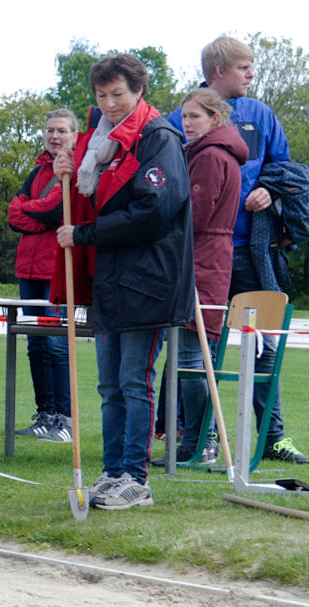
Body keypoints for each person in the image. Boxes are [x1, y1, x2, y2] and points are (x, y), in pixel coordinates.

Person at [53, 54, 195, 510]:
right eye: (102, 96)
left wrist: (86, 235)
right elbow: (93, 203)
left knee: (135, 381)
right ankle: (112, 470)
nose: (110, 103)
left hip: (148, 279)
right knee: (109, 385)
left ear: (139, 91)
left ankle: (136, 476)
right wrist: (69, 178)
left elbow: (154, 211)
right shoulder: (100, 143)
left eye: (118, 94)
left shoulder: (159, 138)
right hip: (110, 280)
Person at [166, 36, 307, 464]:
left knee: (265, 342)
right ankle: (189, 437)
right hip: (199, 258)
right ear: (220, 71)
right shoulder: (182, 117)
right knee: (189, 347)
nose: (251, 74)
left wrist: (267, 188)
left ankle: (273, 437)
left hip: (250, 251)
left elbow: (284, 167)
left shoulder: (261, 114)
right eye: (245, 67)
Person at [153, 88, 248, 467]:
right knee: (190, 355)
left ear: (215, 118)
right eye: (184, 116)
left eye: (195, 116)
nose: (186, 123)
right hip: (204, 253)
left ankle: (202, 441)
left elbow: (197, 216)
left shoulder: (210, 156)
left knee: (194, 355)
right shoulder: (207, 152)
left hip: (203, 256)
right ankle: (193, 441)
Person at [7, 109, 78, 444]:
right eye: (50, 130)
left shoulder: (74, 170)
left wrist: (30, 209)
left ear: (75, 135)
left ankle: (64, 419)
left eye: (61, 130)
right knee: (35, 344)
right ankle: (45, 413)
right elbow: (13, 213)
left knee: (55, 343)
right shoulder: (37, 169)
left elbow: (54, 210)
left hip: (55, 269)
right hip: (28, 268)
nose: (54, 136)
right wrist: (36, 211)